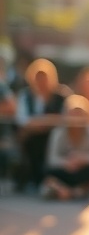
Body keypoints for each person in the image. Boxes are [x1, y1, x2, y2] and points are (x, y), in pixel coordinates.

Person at [12, 58, 67, 191]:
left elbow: (66, 117)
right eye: (38, 77)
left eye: (45, 77)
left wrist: (44, 122)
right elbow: (22, 119)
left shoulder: (62, 95)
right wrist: (45, 122)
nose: (42, 81)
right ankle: (36, 179)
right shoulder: (26, 96)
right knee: (33, 144)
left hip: (56, 136)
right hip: (33, 136)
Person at [40, 94, 89, 200]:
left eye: (79, 114)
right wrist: (66, 163)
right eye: (73, 114)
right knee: (48, 172)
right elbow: (51, 158)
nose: (76, 119)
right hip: (65, 170)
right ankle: (74, 191)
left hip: (84, 171)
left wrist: (83, 159)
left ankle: (70, 192)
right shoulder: (58, 133)